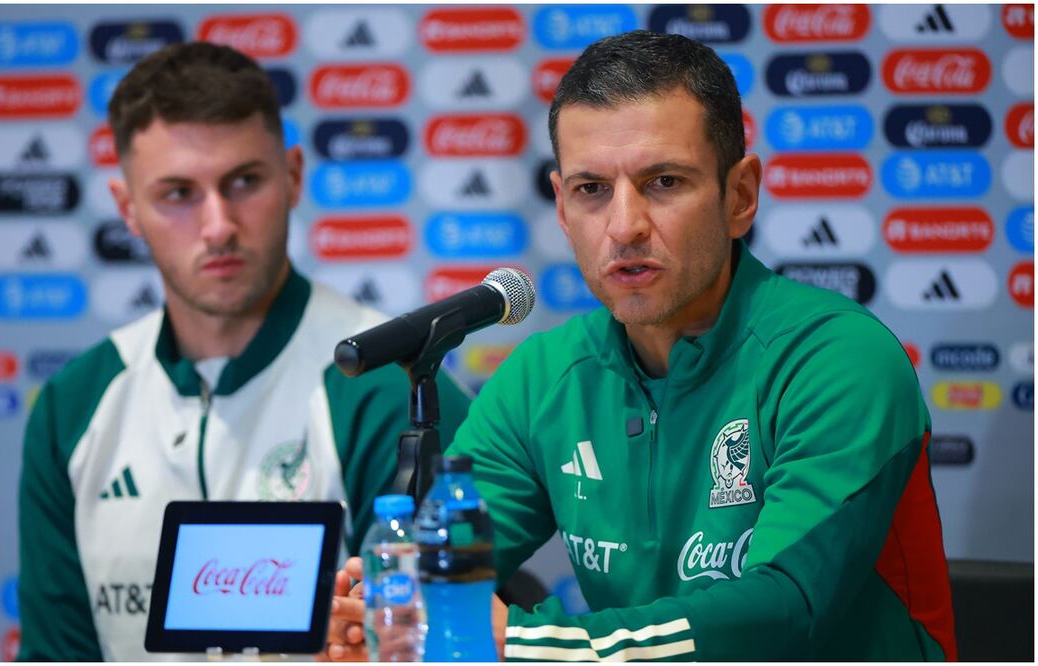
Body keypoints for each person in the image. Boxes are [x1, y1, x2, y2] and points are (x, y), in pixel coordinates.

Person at [329, 30, 956, 661]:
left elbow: (783, 612)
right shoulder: (542, 378)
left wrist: (530, 642)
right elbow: (443, 573)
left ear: (739, 196)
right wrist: (375, 619)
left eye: (663, 181)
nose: (624, 226)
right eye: (591, 189)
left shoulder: (837, 359)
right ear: (562, 206)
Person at [16, 42, 471, 661]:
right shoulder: (74, 405)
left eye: (244, 181)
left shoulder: (394, 386)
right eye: (178, 193)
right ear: (128, 209)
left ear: (292, 176)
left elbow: (421, 646)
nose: (218, 225)